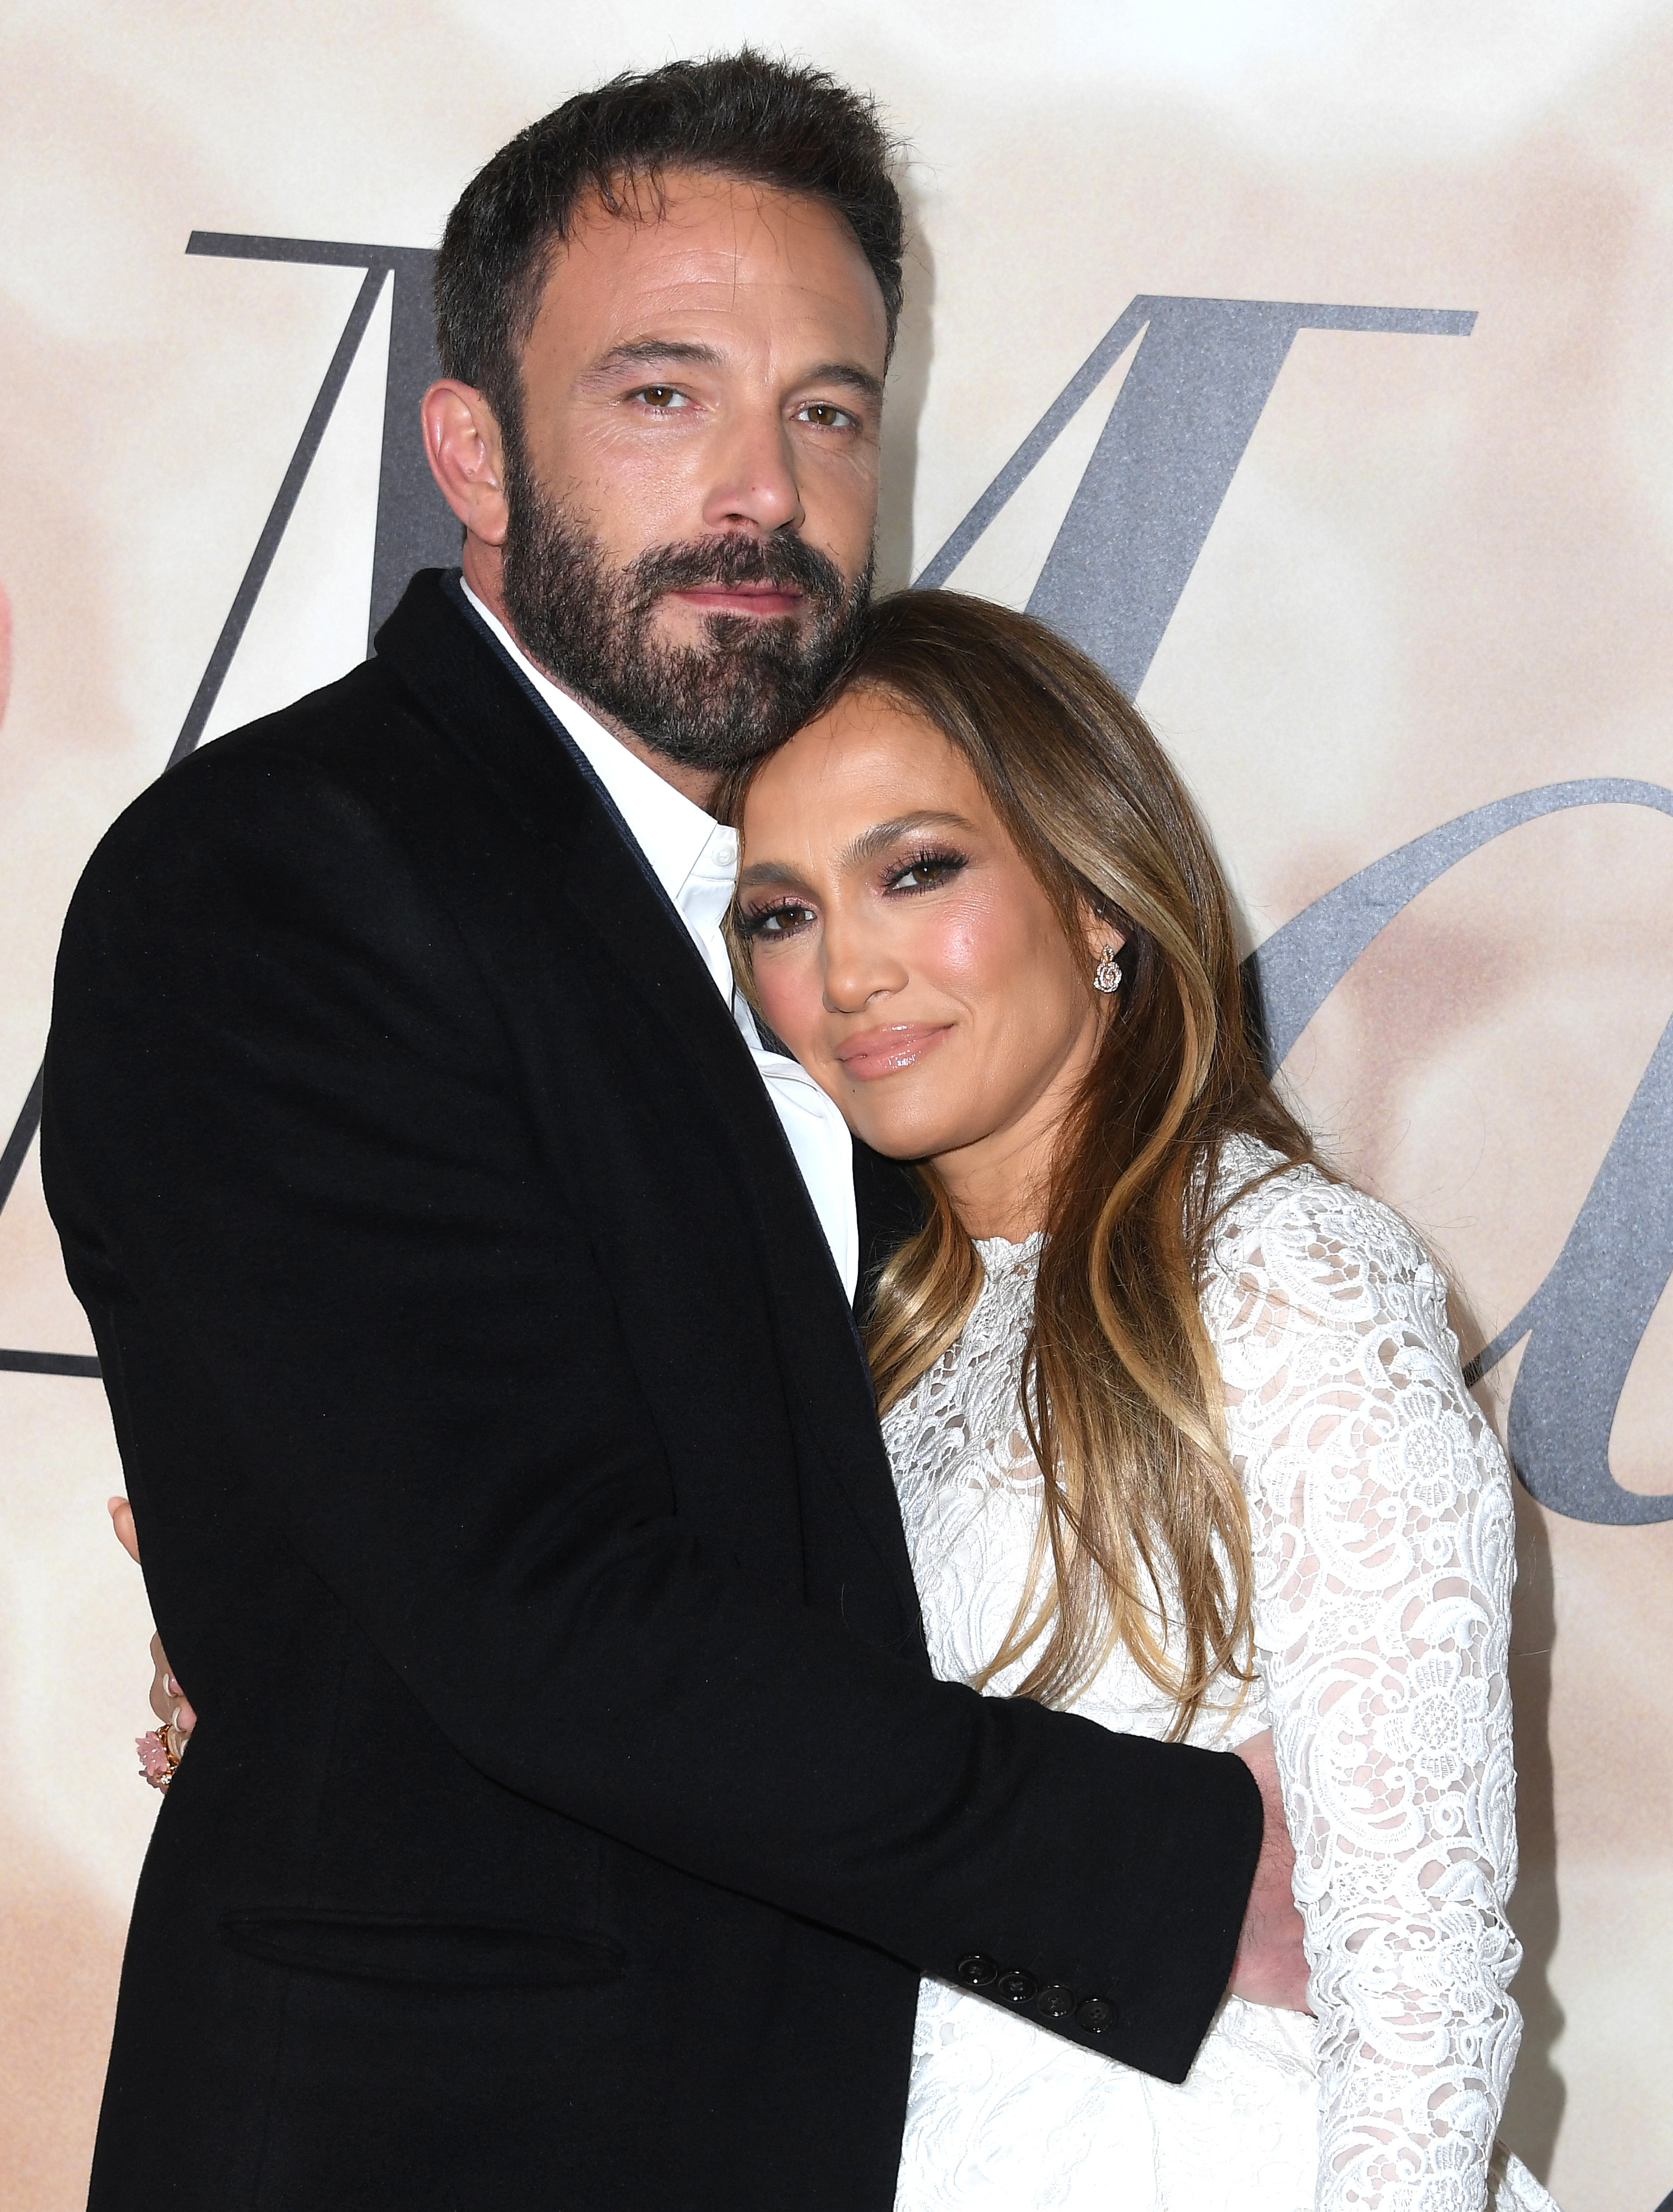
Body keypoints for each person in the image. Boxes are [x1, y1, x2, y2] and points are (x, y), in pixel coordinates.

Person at [43, 55, 1295, 2212]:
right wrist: (1185, 1871)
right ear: (475, 453)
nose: (765, 486)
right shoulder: (277, 877)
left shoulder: (833, 938)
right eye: (661, 394)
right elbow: (544, 1606)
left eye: (828, 408)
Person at [724, 588, 1558, 2212]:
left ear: (1100, 893)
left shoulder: (1287, 1270)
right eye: (779, 914)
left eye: (916, 871)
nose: (850, 970)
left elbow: (1421, 1965)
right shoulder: (859, 1343)